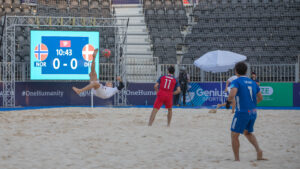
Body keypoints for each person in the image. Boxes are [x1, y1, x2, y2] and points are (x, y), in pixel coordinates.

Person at [227, 62, 266, 161]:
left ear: (236, 71)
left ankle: (237, 159)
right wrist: (251, 105)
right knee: (247, 132)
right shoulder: (253, 82)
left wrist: (228, 101)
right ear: (246, 71)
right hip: (253, 112)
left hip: (242, 112)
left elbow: (232, 95)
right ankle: (259, 150)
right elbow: (261, 97)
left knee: (234, 135)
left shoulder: (236, 81)